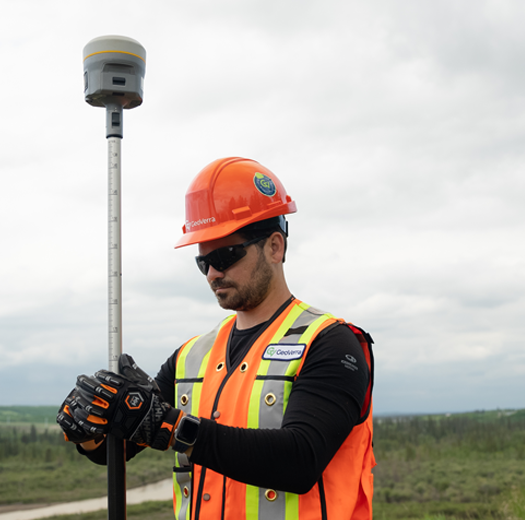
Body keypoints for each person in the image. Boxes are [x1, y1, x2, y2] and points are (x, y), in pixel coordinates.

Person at [57, 157, 376, 520]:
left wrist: (174, 427)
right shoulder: (191, 356)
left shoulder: (331, 343)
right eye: (203, 261)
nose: (212, 273)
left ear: (275, 247)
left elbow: (300, 459)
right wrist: (92, 425)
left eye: (225, 255)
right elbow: (118, 447)